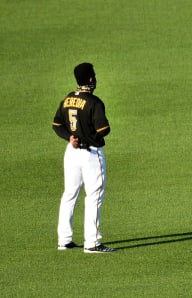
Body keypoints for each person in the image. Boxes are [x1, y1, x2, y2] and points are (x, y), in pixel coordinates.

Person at [52, 62, 115, 253]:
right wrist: (88, 137)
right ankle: (93, 243)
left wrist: (70, 137)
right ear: (90, 78)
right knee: (94, 196)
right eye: (93, 75)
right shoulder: (95, 102)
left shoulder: (67, 99)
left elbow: (57, 125)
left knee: (70, 193)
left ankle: (64, 239)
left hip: (71, 152)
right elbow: (104, 130)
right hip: (90, 154)